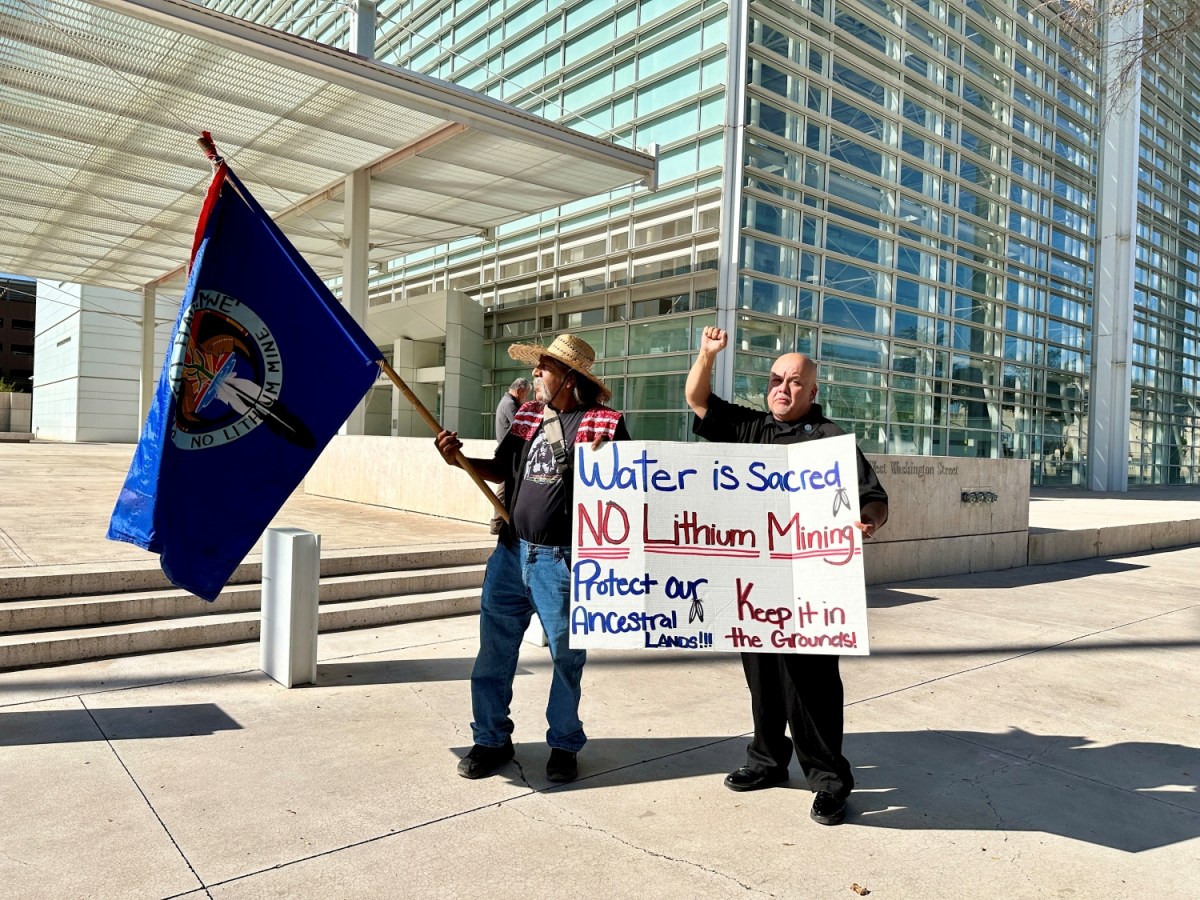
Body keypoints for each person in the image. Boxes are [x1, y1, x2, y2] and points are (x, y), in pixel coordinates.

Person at [685, 325, 888, 826]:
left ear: (813, 391)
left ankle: (829, 781)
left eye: (795, 382)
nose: (783, 387)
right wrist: (707, 355)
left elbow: (874, 498)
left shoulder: (832, 441)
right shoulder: (751, 427)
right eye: (776, 379)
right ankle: (768, 762)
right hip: (754, 583)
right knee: (763, 682)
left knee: (812, 687)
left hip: (812, 585)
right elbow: (697, 399)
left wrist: (869, 521)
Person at [435, 334, 630, 783]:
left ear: (569, 377)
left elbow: (622, 491)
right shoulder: (526, 416)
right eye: (540, 365)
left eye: (544, 367)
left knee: (566, 657)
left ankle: (563, 744)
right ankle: (490, 739)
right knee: (494, 655)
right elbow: (504, 468)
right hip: (509, 553)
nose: (536, 374)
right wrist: (458, 460)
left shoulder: (604, 424)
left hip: (561, 562)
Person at [490, 377, 532, 534]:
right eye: (526, 394)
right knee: (504, 488)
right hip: (509, 454)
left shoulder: (506, 402)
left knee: (506, 487)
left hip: (508, 453)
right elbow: (522, 425)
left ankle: (499, 522)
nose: (526, 397)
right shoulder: (510, 404)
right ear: (519, 390)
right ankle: (497, 523)